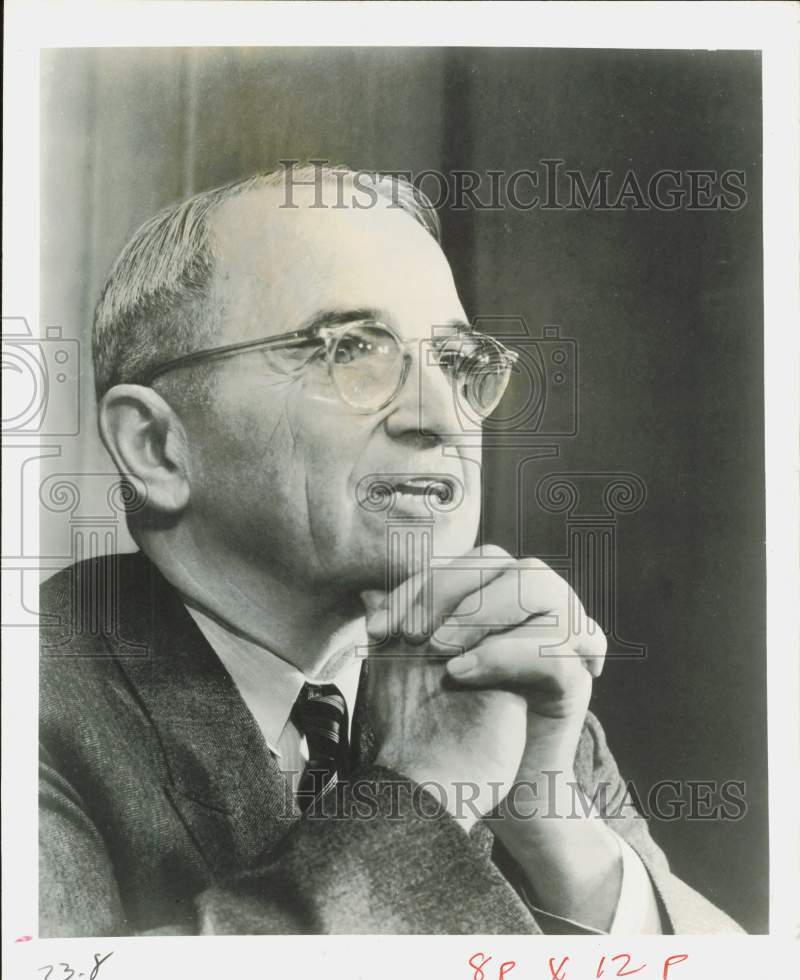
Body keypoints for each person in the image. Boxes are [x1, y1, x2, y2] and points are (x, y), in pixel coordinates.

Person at [39, 164, 741, 936]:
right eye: (353, 351)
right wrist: (425, 795)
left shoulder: (496, 674)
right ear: (158, 447)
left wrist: (555, 826)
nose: (442, 416)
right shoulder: (33, 703)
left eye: (459, 361)